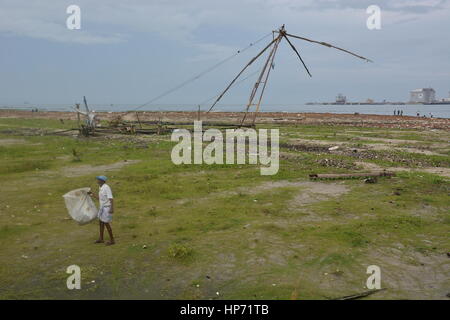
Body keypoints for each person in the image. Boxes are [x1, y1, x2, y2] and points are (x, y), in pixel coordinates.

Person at [88, 176, 115, 245]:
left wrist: (112, 208)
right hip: (102, 207)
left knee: (106, 223)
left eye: (98, 179)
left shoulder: (106, 187)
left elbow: (111, 198)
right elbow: (100, 199)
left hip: (107, 208)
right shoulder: (101, 187)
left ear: (102, 181)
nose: (97, 180)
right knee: (101, 222)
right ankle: (101, 238)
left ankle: (112, 240)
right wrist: (92, 194)